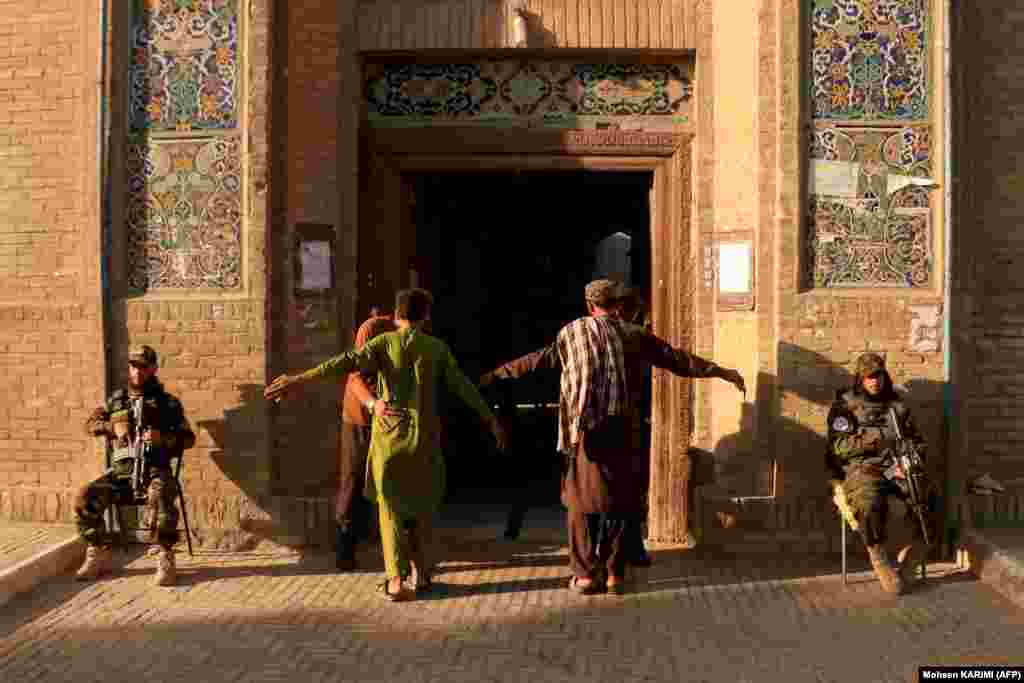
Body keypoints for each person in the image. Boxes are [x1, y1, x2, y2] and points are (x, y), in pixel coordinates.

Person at [481, 280, 745, 595]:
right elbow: (676, 358)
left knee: (578, 502)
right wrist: (720, 371)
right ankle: (614, 574)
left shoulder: (571, 335)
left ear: (589, 305)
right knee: (620, 502)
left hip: (585, 432)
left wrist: (496, 374)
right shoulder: (632, 335)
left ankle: (585, 575)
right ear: (617, 306)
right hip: (622, 430)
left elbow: (538, 360)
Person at [265, 288, 507, 602]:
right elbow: (464, 388)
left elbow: (342, 364)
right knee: (423, 508)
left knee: (390, 511)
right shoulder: (436, 349)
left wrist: (297, 379)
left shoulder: (383, 343)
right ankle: (424, 575)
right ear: (426, 317)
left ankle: (395, 581)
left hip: (389, 439)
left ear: (395, 316)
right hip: (424, 441)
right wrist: (492, 421)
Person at [76, 345, 195, 586]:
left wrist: (163, 438)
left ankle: (165, 555)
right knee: (85, 497)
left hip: (155, 471)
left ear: (153, 368)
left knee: (161, 494)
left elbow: (188, 439)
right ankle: (98, 550)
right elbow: (89, 425)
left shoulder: (168, 404)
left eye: (143, 366)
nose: (137, 371)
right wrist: (112, 427)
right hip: (121, 474)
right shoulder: (117, 400)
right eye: (133, 366)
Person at [826, 352, 936, 595]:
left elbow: (918, 441)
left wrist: (911, 458)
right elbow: (838, 447)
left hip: (894, 466)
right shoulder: (845, 405)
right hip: (863, 467)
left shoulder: (897, 405)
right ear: (860, 379)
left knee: (926, 498)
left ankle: (912, 561)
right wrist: (875, 438)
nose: (874, 381)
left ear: (884, 375)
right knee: (869, 502)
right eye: (868, 377)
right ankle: (879, 558)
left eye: (878, 376)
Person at [335, 308, 396, 571]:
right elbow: (355, 375)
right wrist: (371, 404)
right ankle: (345, 550)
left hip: (387, 417)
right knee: (353, 480)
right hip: (360, 417)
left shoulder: (408, 335)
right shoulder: (372, 329)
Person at [611, 288, 653, 567]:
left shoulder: (602, 337)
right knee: (630, 489)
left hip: (609, 422)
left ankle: (619, 553)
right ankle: (630, 550)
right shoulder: (635, 336)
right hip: (632, 421)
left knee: (614, 490)